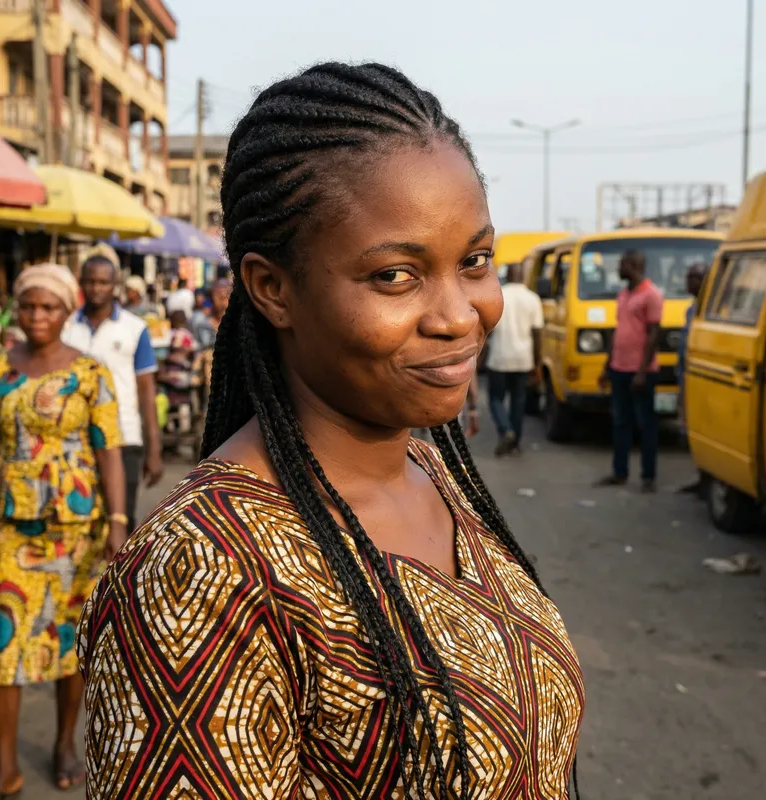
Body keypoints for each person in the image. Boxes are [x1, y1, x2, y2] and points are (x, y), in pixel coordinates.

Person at [78, 63, 584, 799]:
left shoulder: (429, 469)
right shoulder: (201, 578)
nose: (458, 314)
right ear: (272, 288)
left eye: (474, 262)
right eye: (395, 276)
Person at [0, 264, 126, 795]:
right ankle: (4, 759)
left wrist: (119, 521)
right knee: (5, 642)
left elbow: (109, 450)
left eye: (48, 307)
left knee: (70, 643)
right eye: (28, 306)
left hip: (77, 532)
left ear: (66, 311)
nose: (37, 316)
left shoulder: (91, 373)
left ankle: (64, 741)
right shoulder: (3, 367)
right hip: (11, 524)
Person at [62, 255, 163, 532]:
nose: (97, 288)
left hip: (124, 437)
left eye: (104, 282)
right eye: (91, 282)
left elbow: (146, 390)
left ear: (114, 285)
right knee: (80, 518)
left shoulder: (135, 328)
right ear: (81, 283)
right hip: (77, 438)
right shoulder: (67, 327)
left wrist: (154, 448)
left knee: (121, 519)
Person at [597, 250, 663, 492]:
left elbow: (654, 334)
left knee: (646, 425)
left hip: (640, 372)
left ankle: (648, 476)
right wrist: (607, 365)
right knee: (620, 422)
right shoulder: (624, 294)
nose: (618, 269)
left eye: (622, 264)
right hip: (619, 369)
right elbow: (619, 331)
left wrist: (643, 372)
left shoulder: (652, 295)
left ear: (633, 265)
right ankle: (620, 472)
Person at [485, 261, 544, 456]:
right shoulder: (532, 298)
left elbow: (488, 330)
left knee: (495, 399)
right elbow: (537, 334)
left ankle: (505, 430)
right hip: (522, 359)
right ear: (522, 275)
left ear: (508, 275)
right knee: (518, 402)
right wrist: (537, 363)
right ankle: (515, 444)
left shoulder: (498, 296)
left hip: (499, 358)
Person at [677, 260, 708, 493]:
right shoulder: (691, 309)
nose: (688, 282)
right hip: (686, 374)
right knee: (690, 427)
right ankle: (701, 477)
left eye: (693, 278)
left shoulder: (711, 310)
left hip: (702, 378)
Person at [192, 278, 231, 349]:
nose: (220, 300)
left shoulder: (238, 324)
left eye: (224, 296)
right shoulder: (201, 322)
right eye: (216, 295)